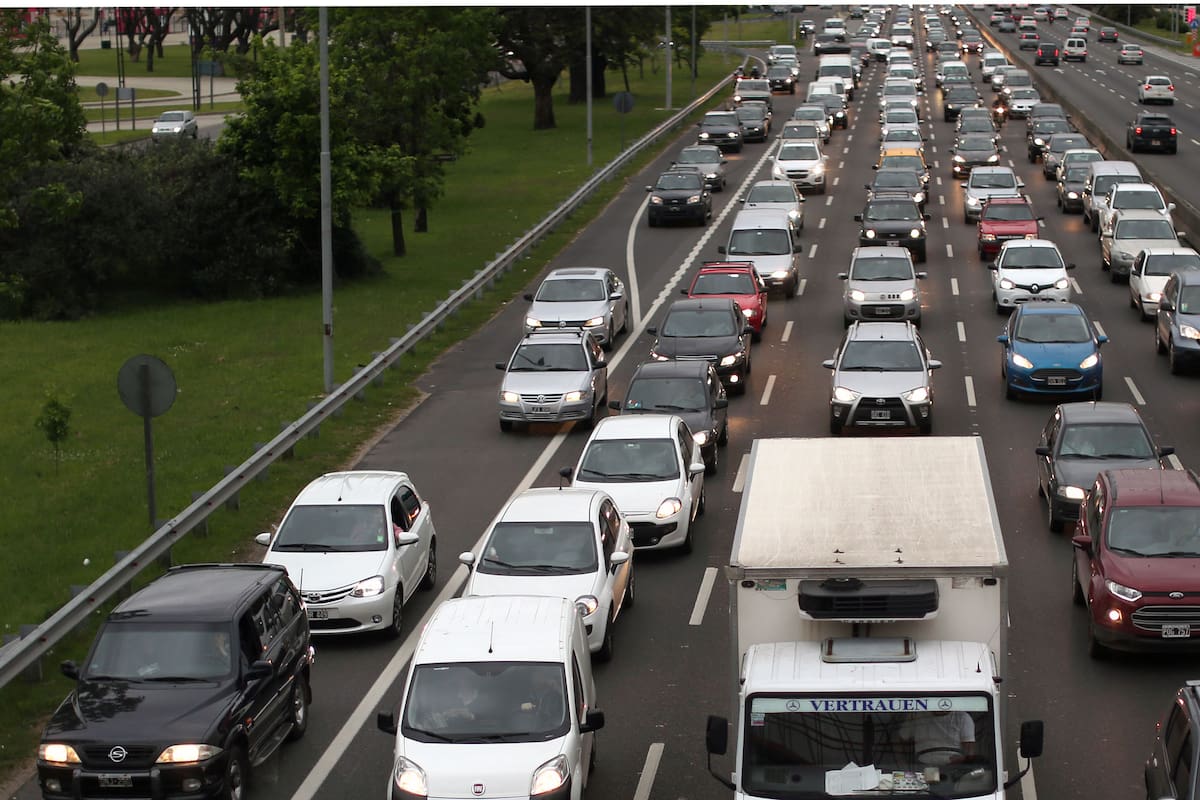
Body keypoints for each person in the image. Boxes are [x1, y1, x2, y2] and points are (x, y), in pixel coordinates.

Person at [899, 710, 976, 766]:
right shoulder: (916, 715)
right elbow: (901, 741)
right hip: (922, 765)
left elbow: (969, 752)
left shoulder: (962, 717)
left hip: (953, 766)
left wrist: (961, 760)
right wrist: (903, 764)